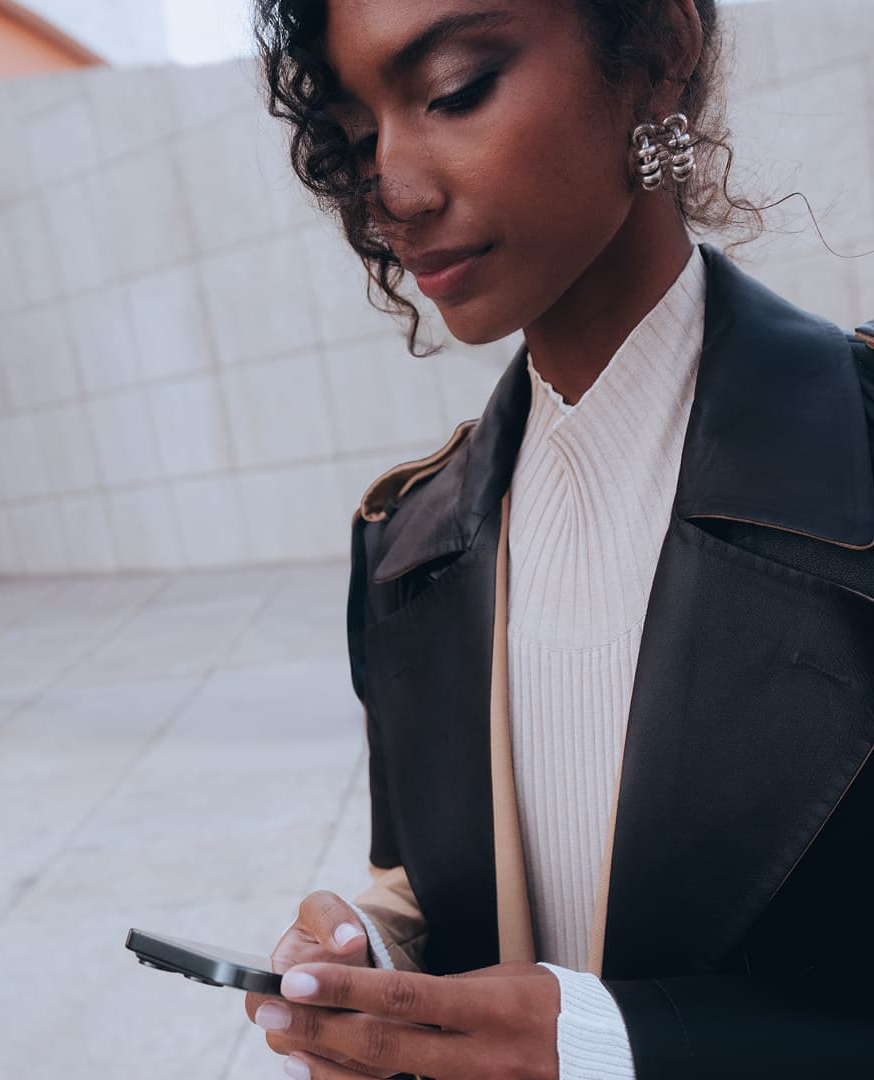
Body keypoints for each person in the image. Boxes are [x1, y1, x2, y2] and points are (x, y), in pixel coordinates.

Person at [242, 1, 874, 1077]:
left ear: (658, 53)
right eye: (357, 140)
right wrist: (378, 954)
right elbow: (425, 878)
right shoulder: (406, 544)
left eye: (453, 89)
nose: (394, 188)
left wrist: (625, 1047)